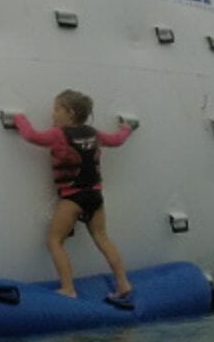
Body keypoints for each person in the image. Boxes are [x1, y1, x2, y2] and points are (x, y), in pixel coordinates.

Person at [9, 89, 137, 308]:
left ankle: (68, 289)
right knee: (103, 238)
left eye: (56, 109)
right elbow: (116, 141)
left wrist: (18, 118)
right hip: (95, 196)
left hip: (73, 197)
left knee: (54, 241)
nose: (53, 115)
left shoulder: (58, 135)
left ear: (70, 113)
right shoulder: (94, 134)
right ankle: (123, 283)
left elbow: (32, 136)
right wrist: (127, 128)